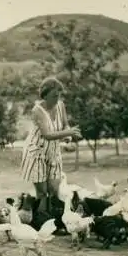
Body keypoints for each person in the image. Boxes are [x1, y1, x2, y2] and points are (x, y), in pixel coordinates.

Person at [20, 76, 82, 216]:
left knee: (54, 189)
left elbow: (65, 124)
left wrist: (68, 138)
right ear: (45, 95)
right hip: (36, 152)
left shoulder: (60, 105)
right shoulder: (37, 111)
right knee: (42, 193)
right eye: (54, 95)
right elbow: (47, 135)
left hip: (53, 151)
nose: (57, 98)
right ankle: (42, 220)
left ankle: (53, 219)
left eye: (59, 95)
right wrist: (69, 132)